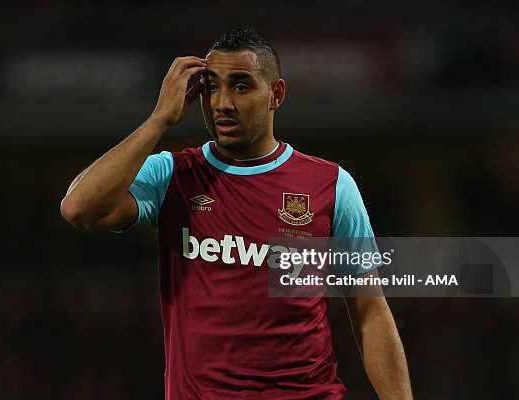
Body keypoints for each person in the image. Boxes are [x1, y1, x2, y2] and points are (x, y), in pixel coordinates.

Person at [60, 27, 412, 400]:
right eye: (211, 87)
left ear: (276, 94)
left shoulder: (331, 184)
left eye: (241, 86)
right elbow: (78, 208)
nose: (223, 102)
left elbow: (370, 311)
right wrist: (159, 120)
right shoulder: (172, 175)